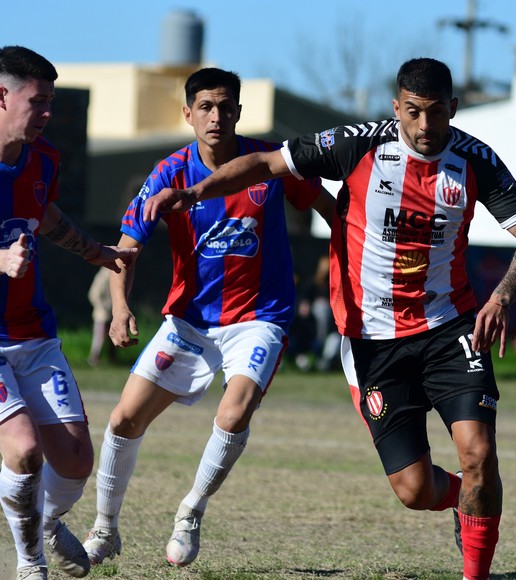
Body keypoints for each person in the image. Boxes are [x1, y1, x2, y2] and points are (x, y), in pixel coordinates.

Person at [144, 57, 516, 580]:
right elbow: (268, 164)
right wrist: (196, 192)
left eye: (437, 114)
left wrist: (502, 297)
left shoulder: (476, 160)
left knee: (479, 452)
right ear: (396, 107)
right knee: (414, 490)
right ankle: (459, 499)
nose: (426, 127)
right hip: (373, 339)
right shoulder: (357, 143)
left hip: (451, 326)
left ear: (455, 107)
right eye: (414, 112)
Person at [81, 67, 335, 569]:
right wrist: (120, 307)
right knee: (123, 419)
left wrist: (353, 266)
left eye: (225, 107)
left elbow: (332, 210)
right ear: (188, 114)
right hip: (191, 321)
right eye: (205, 107)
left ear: (239, 112)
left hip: (262, 318)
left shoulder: (271, 162)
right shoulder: (169, 173)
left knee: (235, 412)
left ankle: (190, 511)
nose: (215, 116)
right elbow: (124, 251)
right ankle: (105, 530)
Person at [0, 46, 137, 580]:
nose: (47, 113)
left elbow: (45, 213)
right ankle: (30, 562)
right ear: (2, 96)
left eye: (52, 102)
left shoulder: (44, 159)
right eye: (38, 102)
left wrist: (93, 251)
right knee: (26, 450)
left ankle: (45, 522)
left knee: (77, 461)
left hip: (34, 334)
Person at [86, 268, 115, 367]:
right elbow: (94, 294)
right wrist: (103, 306)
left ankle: (112, 359)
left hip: (113, 313)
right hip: (102, 313)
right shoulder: (105, 274)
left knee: (114, 337)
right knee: (99, 337)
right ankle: (94, 358)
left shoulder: (111, 271)